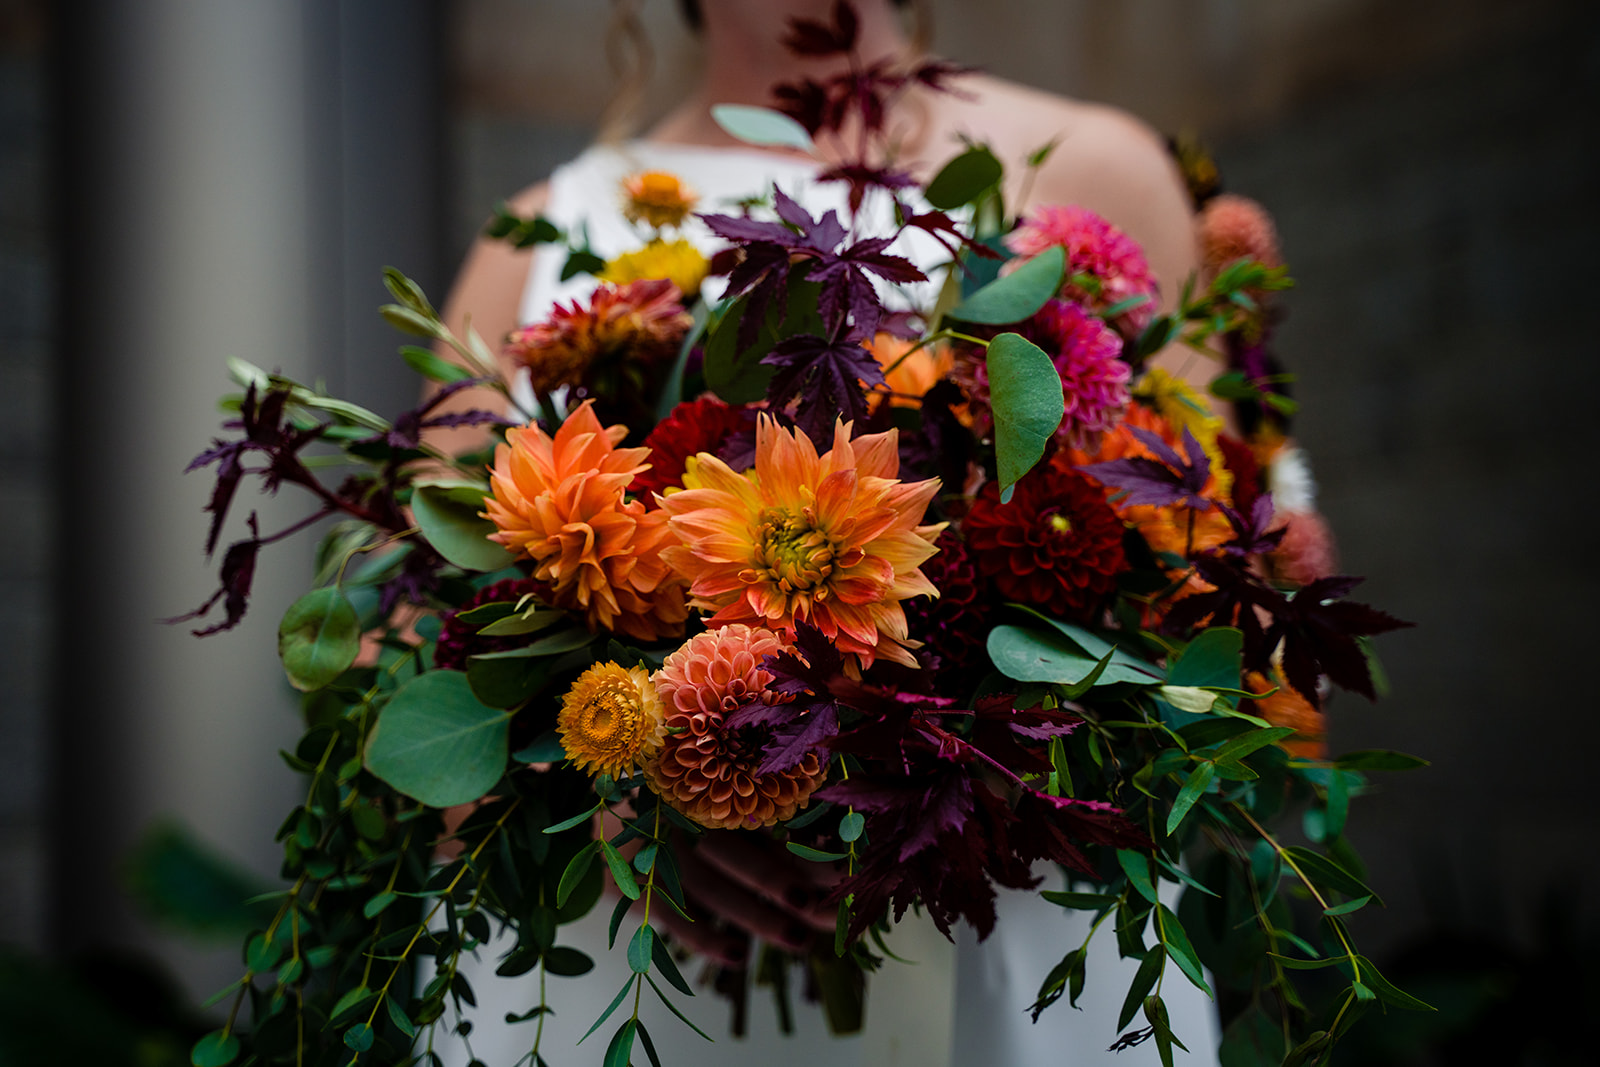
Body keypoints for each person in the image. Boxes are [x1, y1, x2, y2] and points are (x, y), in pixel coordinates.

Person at [428, 2, 1222, 1063]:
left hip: (1008, 945)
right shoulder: (528, 249)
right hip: (634, 978)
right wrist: (626, 802)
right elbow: (412, 653)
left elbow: (1211, 586)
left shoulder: (1096, 173)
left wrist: (958, 755)